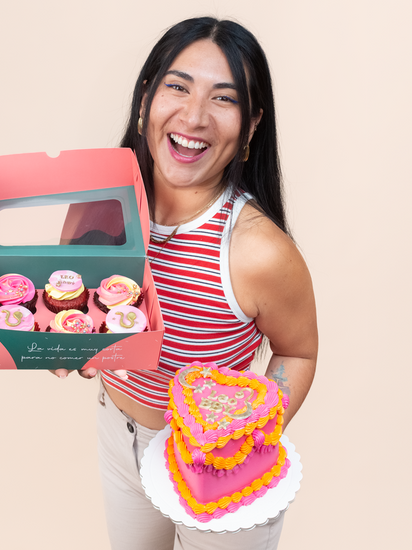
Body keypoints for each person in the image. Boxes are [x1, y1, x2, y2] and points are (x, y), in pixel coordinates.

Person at [54, 16, 318, 550]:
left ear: (251, 125)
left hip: (215, 467)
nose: (194, 116)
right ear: (145, 98)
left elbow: (298, 353)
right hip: (119, 437)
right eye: (178, 87)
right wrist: (72, 348)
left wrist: (244, 440)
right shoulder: (100, 205)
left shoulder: (258, 250)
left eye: (224, 98)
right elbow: (80, 314)